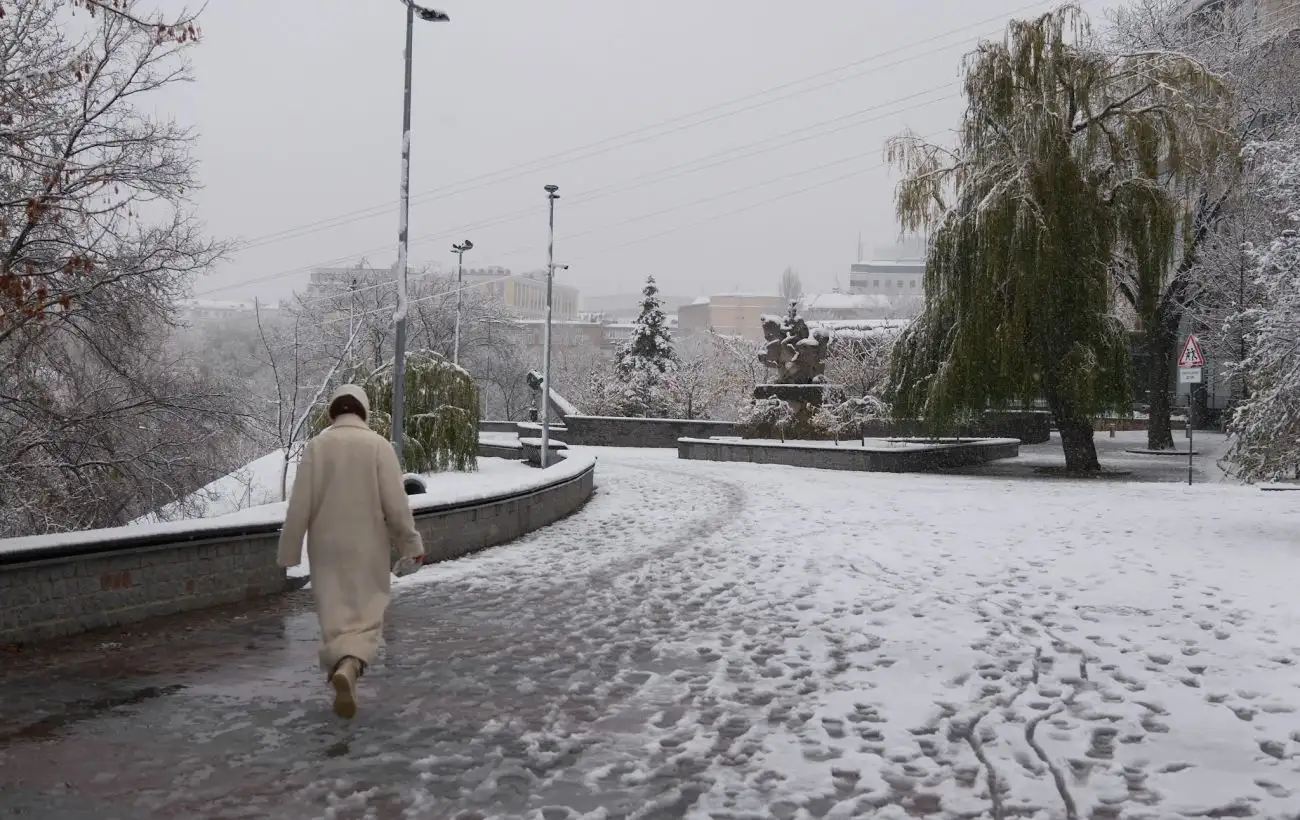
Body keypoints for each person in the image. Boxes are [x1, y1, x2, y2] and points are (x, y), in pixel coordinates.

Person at [276, 384, 425, 719]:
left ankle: (343, 671)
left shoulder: (317, 447)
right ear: (363, 411)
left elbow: (299, 505)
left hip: (325, 546)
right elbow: (396, 505)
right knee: (366, 616)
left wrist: (289, 552)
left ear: (334, 411)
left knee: (335, 617)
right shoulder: (378, 446)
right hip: (367, 544)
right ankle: (350, 668)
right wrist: (410, 544)